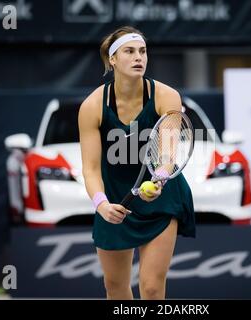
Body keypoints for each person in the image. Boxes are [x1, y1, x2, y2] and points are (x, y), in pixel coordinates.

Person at [78, 26, 195, 300]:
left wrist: (159, 180)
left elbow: (167, 156)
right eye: (129, 51)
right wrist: (101, 204)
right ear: (112, 60)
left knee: (152, 288)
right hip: (113, 198)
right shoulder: (92, 106)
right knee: (115, 288)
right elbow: (91, 168)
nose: (138, 57)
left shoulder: (167, 97)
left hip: (160, 196)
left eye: (142, 51)